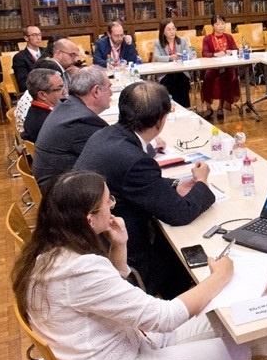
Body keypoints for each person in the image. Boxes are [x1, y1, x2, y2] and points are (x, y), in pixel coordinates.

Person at [11, 170, 251, 360]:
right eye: (108, 202)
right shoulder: (79, 269)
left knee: (226, 320)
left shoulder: (47, 254)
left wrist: (119, 245)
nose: (112, 206)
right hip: (126, 357)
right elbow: (164, 317)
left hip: (126, 340)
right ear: (89, 220)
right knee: (239, 350)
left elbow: (107, 294)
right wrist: (219, 276)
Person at [74, 81, 216, 297]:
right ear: (160, 121)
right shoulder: (134, 160)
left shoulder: (105, 135)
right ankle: (171, 300)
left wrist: (175, 184)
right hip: (120, 251)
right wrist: (202, 182)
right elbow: (180, 214)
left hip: (91, 238)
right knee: (184, 252)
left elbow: (134, 184)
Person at [32, 66, 111, 189]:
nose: (111, 93)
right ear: (96, 91)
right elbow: (109, 155)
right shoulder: (81, 121)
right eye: (109, 87)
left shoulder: (67, 106)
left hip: (57, 183)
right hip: (59, 193)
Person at [201, 14, 241, 120]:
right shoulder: (207, 38)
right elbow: (204, 53)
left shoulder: (229, 37)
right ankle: (208, 108)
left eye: (223, 23)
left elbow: (236, 50)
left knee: (227, 78)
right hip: (213, 66)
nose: (221, 26)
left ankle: (220, 107)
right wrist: (215, 54)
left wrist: (230, 51)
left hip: (226, 66)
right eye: (217, 24)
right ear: (213, 26)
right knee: (207, 77)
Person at [153, 18, 191, 107]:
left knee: (183, 81)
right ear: (163, 32)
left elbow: (190, 54)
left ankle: (185, 108)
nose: (172, 31)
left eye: (173, 29)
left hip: (181, 71)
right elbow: (157, 57)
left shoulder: (182, 41)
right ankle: (170, 107)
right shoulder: (158, 43)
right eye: (169, 29)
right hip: (166, 73)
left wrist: (183, 56)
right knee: (168, 83)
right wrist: (170, 58)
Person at [21, 68, 65, 142]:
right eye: (59, 89)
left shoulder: (33, 111)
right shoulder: (51, 123)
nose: (65, 92)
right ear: (42, 95)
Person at [12, 26, 45, 92]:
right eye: (34, 35)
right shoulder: (19, 57)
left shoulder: (47, 52)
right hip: (35, 91)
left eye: (39, 35)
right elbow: (23, 84)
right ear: (26, 38)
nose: (38, 38)